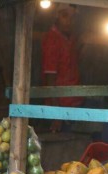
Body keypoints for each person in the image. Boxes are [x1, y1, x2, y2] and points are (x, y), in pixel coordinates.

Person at [41, 3, 83, 132]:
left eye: (72, 17)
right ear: (57, 16)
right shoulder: (52, 40)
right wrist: (57, 115)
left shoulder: (71, 39)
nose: (69, 21)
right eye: (65, 16)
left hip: (75, 103)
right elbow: (50, 80)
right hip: (61, 108)